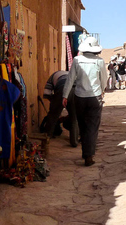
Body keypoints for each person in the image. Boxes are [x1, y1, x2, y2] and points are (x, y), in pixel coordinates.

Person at [62, 36, 107, 166]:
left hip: (79, 97)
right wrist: (102, 90)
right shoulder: (100, 62)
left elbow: (70, 79)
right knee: (92, 127)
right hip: (95, 98)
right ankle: (89, 155)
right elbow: (103, 79)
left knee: (82, 125)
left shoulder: (77, 60)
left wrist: (65, 95)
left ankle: (85, 152)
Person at [42, 70, 77, 146]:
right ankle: (74, 141)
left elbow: (47, 93)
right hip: (75, 90)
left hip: (62, 89)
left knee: (53, 115)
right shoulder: (72, 74)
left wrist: (54, 104)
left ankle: (47, 136)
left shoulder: (53, 76)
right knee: (74, 117)